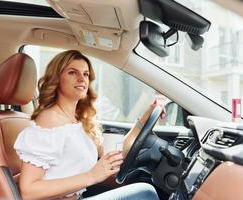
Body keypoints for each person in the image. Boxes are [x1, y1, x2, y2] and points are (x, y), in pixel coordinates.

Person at [14, 50, 163, 200]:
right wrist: (91, 176)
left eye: (85, 74)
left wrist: (144, 119)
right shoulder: (49, 120)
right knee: (146, 193)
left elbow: (113, 155)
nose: (81, 79)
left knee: (145, 189)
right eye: (73, 73)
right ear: (57, 78)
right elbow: (29, 191)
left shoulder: (78, 119)